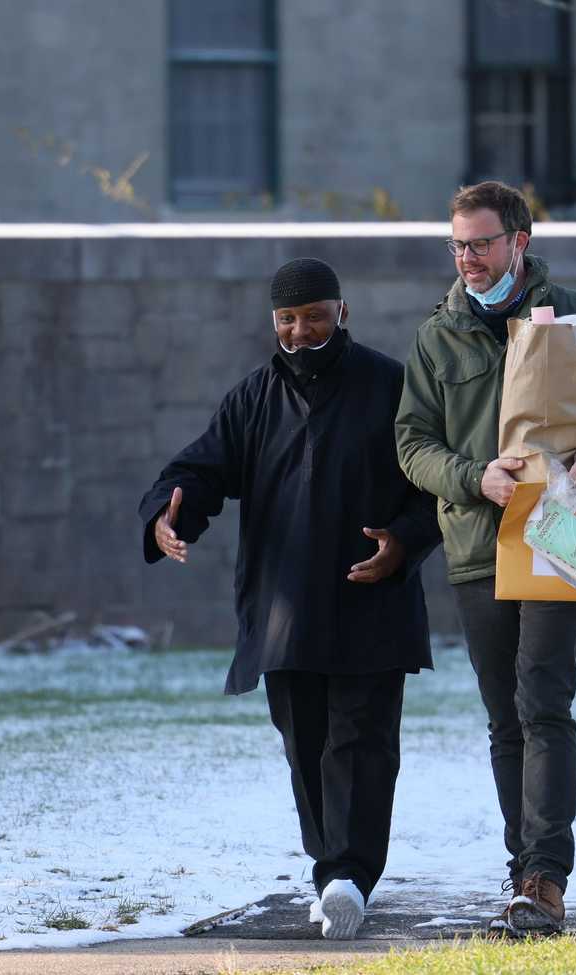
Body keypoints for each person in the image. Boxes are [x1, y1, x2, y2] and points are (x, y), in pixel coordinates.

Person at [395, 181, 576, 936]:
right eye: (457, 244)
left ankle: (545, 878)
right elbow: (411, 443)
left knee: (542, 697)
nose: (468, 258)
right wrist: (472, 475)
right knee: (505, 719)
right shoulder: (436, 337)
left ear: (519, 241)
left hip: (564, 532)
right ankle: (520, 867)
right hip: (477, 541)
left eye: (482, 243)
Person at [139, 258, 441, 940]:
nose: (300, 331)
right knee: (304, 745)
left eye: (312, 316)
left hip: (371, 601)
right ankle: (332, 872)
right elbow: (200, 469)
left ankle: (351, 878)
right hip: (285, 608)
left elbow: (435, 490)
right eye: (286, 319)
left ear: (343, 311)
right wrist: (167, 514)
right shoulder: (253, 397)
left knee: (361, 744)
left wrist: (402, 543)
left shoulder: (394, 386)